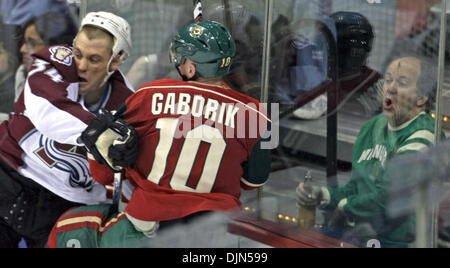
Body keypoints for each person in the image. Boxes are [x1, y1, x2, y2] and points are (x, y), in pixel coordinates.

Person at [48, 20, 271, 248]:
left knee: (67, 229)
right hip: (213, 233)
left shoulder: (147, 94)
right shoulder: (257, 115)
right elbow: (255, 182)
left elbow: (103, 171)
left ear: (191, 68)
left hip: (148, 227)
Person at [0, 11, 135, 248]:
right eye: (78, 54)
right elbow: (48, 111)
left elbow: (132, 180)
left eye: (94, 59)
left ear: (114, 61)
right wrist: (103, 134)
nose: (81, 66)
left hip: (64, 208)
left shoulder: (130, 105)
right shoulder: (56, 60)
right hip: (9, 177)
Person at [296, 53, 443, 248]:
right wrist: (323, 195)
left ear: (421, 97)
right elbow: (357, 188)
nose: (390, 88)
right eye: (388, 80)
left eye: (403, 82)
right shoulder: (372, 127)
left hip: (399, 242)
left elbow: (388, 196)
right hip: (361, 233)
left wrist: (345, 207)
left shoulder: (425, 133)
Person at [291, 11, 382, 120]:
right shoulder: (320, 79)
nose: (358, 52)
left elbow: (360, 112)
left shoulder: (373, 80)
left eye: (359, 49)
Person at [15, 11, 78, 101]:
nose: (22, 49)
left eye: (32, 43)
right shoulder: (22, 74)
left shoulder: (77, 88)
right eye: (24, 42)